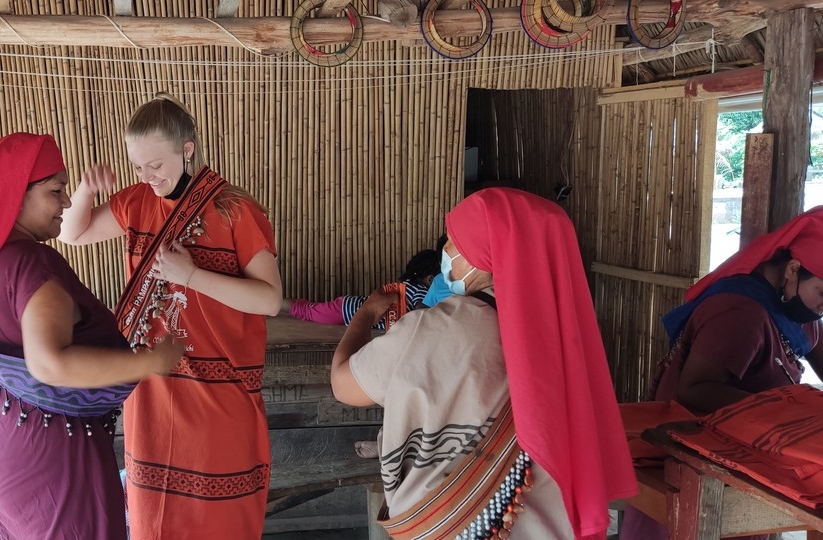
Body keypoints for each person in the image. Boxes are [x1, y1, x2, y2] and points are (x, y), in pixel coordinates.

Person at [330, 188, 636, 539]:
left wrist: (367, 313)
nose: (445, 252)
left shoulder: (432, 329)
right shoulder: (572, 338)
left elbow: (343, 384)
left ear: (484, 253)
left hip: (451, 526)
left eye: (453, 242)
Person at [0, 133, 182, 540]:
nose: (66, 202)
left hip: (0, 459)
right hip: (55, 471)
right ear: (16, 195)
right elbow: (49, 363)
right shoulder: (31, 263)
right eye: (55, 190)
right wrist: (150, 361)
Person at [59, 94, 282, 540]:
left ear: (187, 149)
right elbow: (72, 233)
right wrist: (85, 190)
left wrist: (191, 275)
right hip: (152, 394)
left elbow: (269, 300)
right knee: (154, 519)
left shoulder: (234, 209)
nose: (147, 177)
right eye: (137, 167)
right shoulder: (136, 202)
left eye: (156, 164)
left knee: (221, 521)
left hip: (218, 397)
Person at [621, 206, 823, 540]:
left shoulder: (798, 308)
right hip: (692, 453)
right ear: (793, 269)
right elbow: (695, 389)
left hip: (748, 452)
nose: (822, 307)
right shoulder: (740, 311)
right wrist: (785, 413)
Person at [282, 247, 445, 329]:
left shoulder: (408, 285)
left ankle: (279, 303)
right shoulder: (422, 291)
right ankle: (278, 304)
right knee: (306, 311)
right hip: (347, 311)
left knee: (308, 309)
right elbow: (422, 310)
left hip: (350, 308)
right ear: (430, 279)